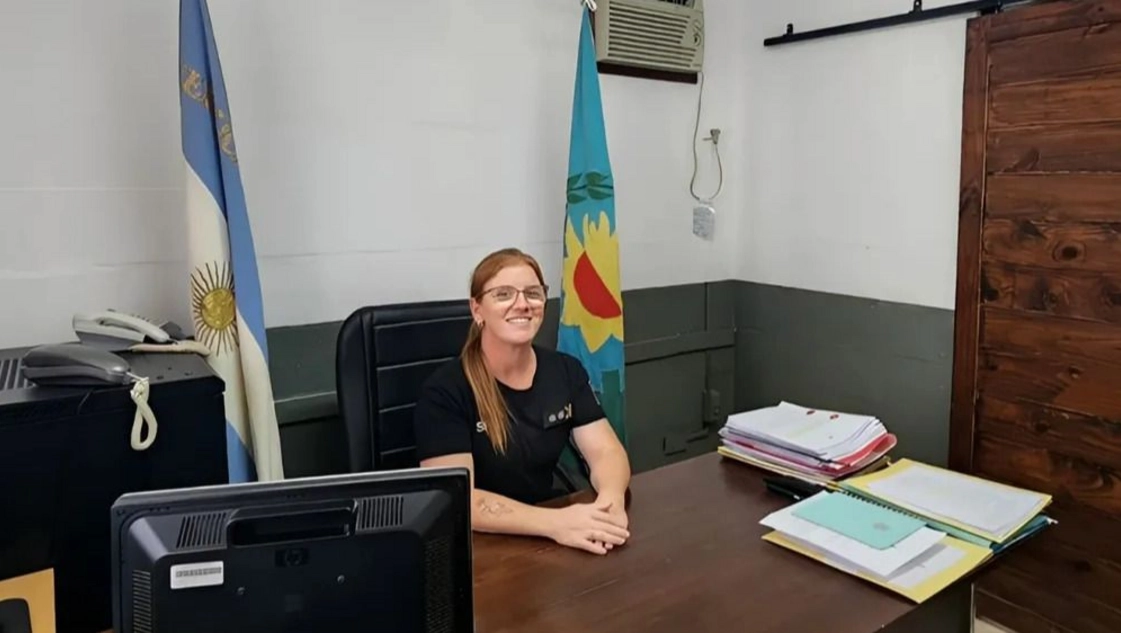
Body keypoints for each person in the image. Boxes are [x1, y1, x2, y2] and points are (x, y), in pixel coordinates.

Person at [413, 247, 632, 555]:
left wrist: (610, 503)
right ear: (477, 309)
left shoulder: (565, 370)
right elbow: (460, 499)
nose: (522, 304)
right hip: (479, 546)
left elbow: (606, 451)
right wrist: (556, 523)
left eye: (532, 293)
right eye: (503, 294)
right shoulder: (445, 391)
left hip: (551, 533)